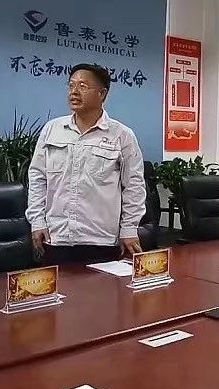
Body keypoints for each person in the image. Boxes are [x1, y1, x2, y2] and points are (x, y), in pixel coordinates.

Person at [26, 63, 146, 265]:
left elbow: (133, 186)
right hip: (56, 237)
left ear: (102, 93)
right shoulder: (52, 129)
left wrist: (129, 228)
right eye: (71, 85)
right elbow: (38, 178)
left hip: (101, 239)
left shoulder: (122, 135)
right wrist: (37, 221)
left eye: (82, 86)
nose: (74, 91)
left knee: (101, 287)